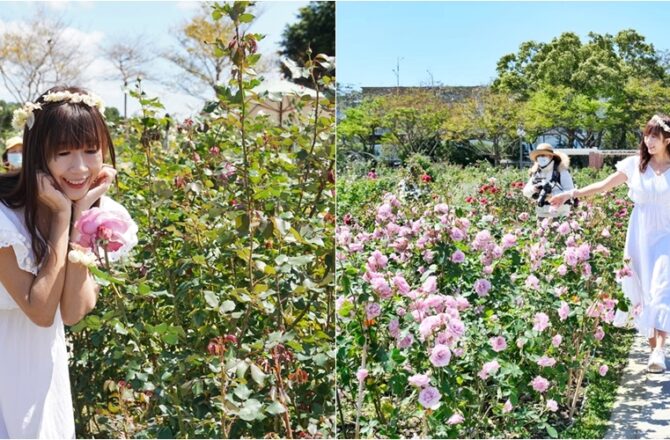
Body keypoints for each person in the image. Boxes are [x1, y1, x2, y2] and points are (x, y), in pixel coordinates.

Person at [0, 86, 137, 437]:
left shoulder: (102, 215)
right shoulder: (5, 220)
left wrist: (80, 221)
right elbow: (41, 310)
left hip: (38, 370)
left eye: (91, 151)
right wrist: (63, 220)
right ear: (38, 156)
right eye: (63, 153)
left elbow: (74, 310)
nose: (80, 168)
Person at [551, 114, 670, 373]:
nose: (648, 141)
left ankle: (660, 348)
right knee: (641, 288)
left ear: (667, 139)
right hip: (639, 235)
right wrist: (570, 194)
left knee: (662, 288)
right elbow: (603, 186)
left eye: (654, 136)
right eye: (646, 135)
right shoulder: (634, 165)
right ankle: (652, 348)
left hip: (667, 236)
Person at [522, 143, 575, 218]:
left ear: (551, 156)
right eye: (538, 156)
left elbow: (571, 192)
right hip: (541, 214)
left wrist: (552, 195)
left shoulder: (561, 171)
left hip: (560, 215)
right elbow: (525, 192)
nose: (540, 158)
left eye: (543, 155)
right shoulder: (537, 172)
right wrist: (533, 189)